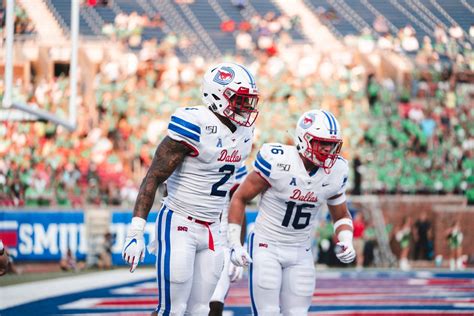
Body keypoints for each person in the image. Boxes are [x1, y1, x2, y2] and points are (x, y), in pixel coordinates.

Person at [121, 62, 260, 315]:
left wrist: (234, 244)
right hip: (179, 223)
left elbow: (236, 197)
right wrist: (136, 232)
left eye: (248, 100)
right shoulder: (194, 123)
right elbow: (153, 176)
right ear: (217, 96)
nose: (247, 107)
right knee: (173, 310)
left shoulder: (245, 133)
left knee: (200, 310)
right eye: (240, 100)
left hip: (214, 229)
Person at [227, 109, 356, 315]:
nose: (327, 149)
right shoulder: (277, 160)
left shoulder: (337, 170)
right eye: (321, 142)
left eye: (331, 144)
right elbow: (239, 197)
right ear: (304, 140)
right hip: (266, 247)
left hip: (301, 251)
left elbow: (341, 215)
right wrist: (235, 243)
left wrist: (346, 239)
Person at [209, 165, 248, 316]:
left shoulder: (235, 158)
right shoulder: (188, 151)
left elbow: (239, 205)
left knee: (215, 302)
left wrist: (237, 246)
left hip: (221, 242)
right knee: (176, 304)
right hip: (189, 233)